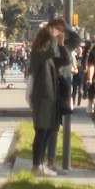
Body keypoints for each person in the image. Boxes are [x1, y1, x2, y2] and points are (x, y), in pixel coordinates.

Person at [28, 23, 66, 175]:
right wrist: (53, 36)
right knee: (41, 131)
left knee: (47, 131)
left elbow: (64, 60)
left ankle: (40, 164)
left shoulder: (48, 55)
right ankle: (36, 165)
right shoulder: (37, 54)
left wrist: (61, 44)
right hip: (43, 96)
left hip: (51, 96)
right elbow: (51, 51)